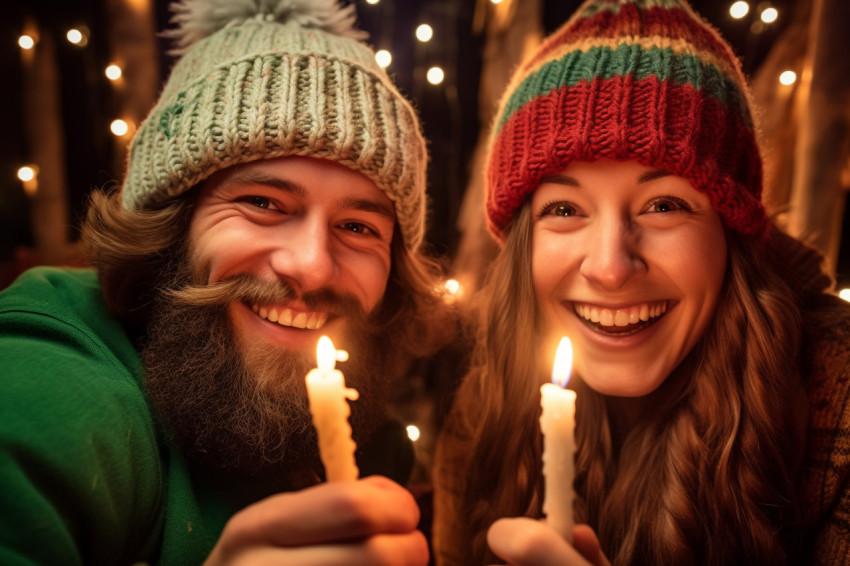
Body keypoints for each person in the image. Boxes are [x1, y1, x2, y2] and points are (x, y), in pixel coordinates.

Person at [0, 0, 456, 564]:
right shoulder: (53, 390)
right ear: (171, 224)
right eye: (262, 203)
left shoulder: (371, 443)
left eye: (358, 226)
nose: (312, 266)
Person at [433, 0, 850, 564]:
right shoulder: (485, 411)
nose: (609, 267)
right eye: (563, 209)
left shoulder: (839, 408)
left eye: (663, 205)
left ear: (730, 232)